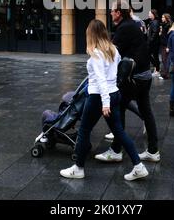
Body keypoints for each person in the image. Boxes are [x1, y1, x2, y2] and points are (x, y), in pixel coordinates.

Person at [60, 19, 148, 181]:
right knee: (119, 132)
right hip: (114, 93)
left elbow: (101, 80)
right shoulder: (113, 50)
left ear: (91, 35)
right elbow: (113, 74)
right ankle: (138, 166)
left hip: (98, 96)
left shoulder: (96, 54)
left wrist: (105, 103)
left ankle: (78, 168)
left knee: (84, 131)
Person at [95, 0, 160, 164]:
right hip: (144, 74)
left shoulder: (125, 28)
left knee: (117, 108)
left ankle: (116, 150)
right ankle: (153, 151)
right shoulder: (136, 24)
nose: (110, 13)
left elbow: (112, 53)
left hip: (134, 78)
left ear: (118, 12)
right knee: (146, 112)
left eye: (112, 11)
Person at [146, 9, 161, 79]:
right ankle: (157, 67)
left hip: (154, 43)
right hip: (152, 42)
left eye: (149, 13)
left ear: (153, 14)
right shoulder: (152, 22)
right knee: (152, 55)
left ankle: (157, 70)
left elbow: (155, 33)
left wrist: (150, 41)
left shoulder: (155, 22)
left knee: (152, 55)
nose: (148, 15)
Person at [159, 13, 172, 79]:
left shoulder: (168, 25)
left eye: (163, 17)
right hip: (163, 44)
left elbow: (169, 37)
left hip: (166, 44)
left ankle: (165, 75)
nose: (162, 18)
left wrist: (168, 46)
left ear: (166, 18)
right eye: (162, 17)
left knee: (165, 60)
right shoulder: (163, 25)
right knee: (164, 59)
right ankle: (165, 74)